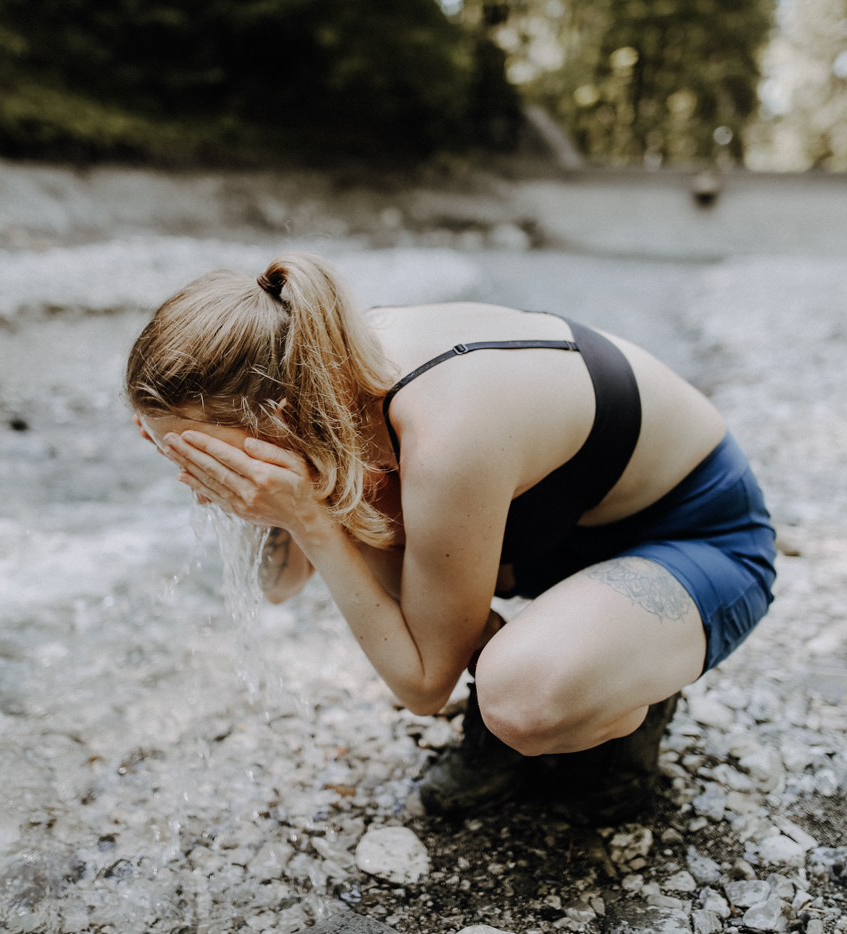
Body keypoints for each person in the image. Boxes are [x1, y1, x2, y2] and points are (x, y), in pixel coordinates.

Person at [126, 252, 776, 822]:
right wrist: (269, 504)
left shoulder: (446, 430)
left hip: (697, 539)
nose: (190, 475)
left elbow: (422, 686)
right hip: (557, 527)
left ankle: (628, 688)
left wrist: (308, 518)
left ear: (275, 421)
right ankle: (569, 648)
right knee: (366, 508)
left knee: (521, 700)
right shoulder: (315, 374)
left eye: (200, 455)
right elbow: (280, 586)